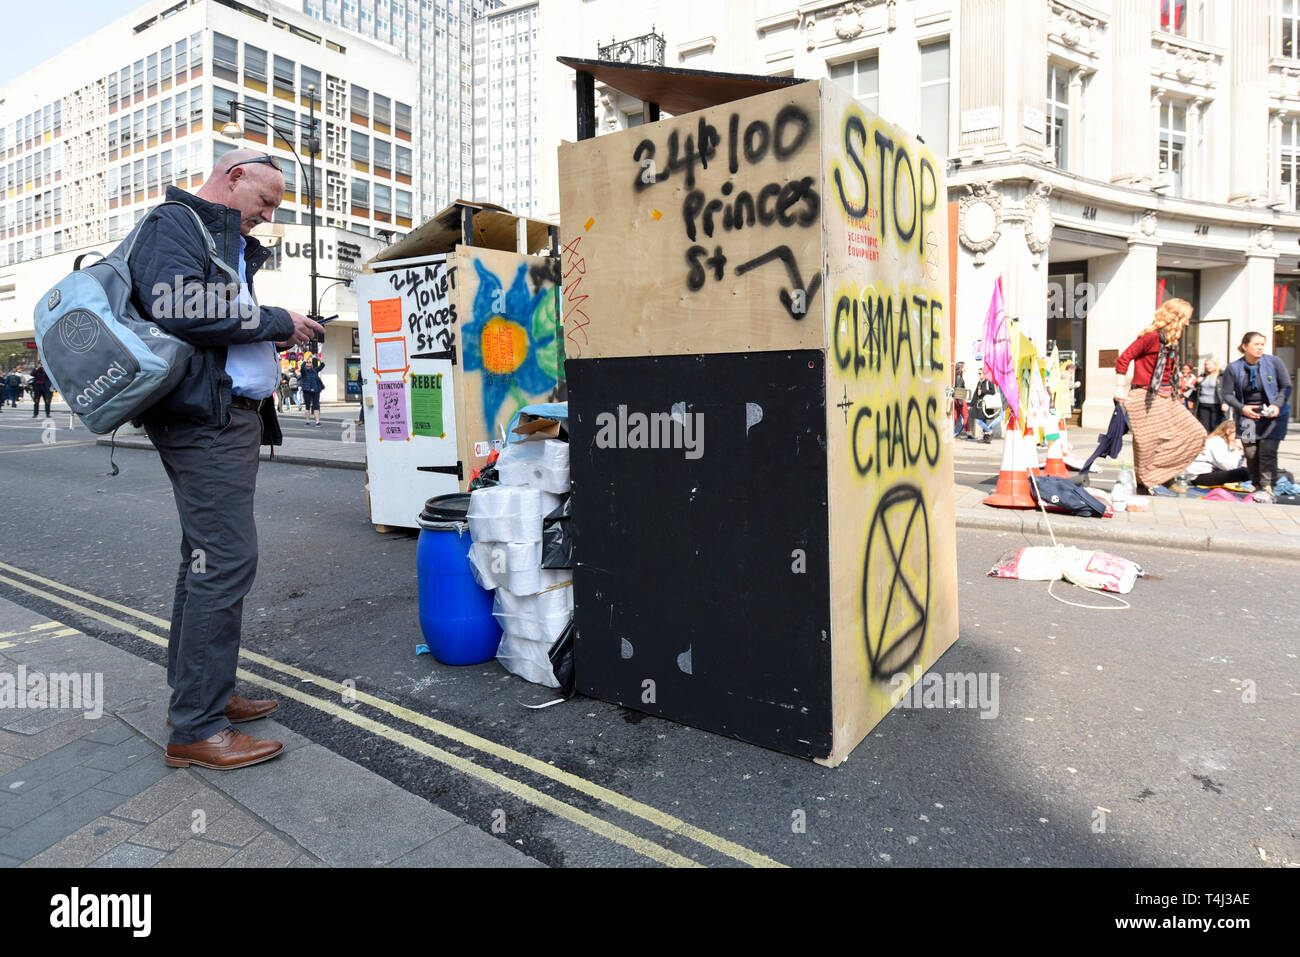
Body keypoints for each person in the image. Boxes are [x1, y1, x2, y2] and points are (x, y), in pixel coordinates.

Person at [132, 149, 323, 769]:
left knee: (205, 560)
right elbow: (181, 307)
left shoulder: (224, 240)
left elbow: (217, 317)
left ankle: (200, 697)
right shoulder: (175, 223)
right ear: (232, 176)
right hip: (204, 421)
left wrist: (273, 328)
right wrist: (275, 321)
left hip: (227, 418)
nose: (268, 216)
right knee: (226, 560)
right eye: (265, 201)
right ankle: (195, 728)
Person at [1113, 299, 1206, 493]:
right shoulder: (1151, 337)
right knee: (1146, 443)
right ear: (1176, 317)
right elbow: (1123, 359)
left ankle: (1159, 475)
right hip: (1145, 395)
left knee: (1196, 432)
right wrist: (1119, 389)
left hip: (1166, 395)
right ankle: (1145, 482)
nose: (1188, 323)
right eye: (1186, 318)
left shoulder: (1170, 341)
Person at [1221, 330, 1293, 502]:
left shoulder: (1274, 362)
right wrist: (1242, 408)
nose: (1260, 348)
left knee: (1268, 451)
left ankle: (1267, 486)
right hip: (1247, 415)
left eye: (1262, 344)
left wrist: (1277, 405)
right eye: (1256, 344)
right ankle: (1257, 485)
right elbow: (1227, 394)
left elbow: (1286, 386)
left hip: (1274, 415)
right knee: (1251, 452)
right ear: (1245, 346)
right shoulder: (1234, 368)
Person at [1187, 420, 1249, 487]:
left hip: (1206, 472)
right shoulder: (1216, 442)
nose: (1240, 438)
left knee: (1244, 471)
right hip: (1198, 476)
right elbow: (1228, 466)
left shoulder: (1222, 442)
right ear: (1228, 431)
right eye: (1238, 434)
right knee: (1243, 473)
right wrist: (1237, 450)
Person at [1193, 358, 1224, 432]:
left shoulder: (1221, 376)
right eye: (1206, 364)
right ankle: (1205, 442)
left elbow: (1226, 391)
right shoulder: (1203, 376)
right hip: (1202, 405)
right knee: (1204, 427)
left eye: (1209, 364)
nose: (1207, 366)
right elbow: (1196, 389)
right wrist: (1197, 382)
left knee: (1215, 427)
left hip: (1215, 405)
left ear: (1215, 365)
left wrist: (1225, 403)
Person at [971, 372, 1002, 443]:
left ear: (985, 374)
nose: (979, 375)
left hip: (986, 405)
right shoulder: (979, 383)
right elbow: (975, 394)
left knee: (979, 421)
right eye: (978, 373)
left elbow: (993, 391)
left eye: (980, 373)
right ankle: (986, 438)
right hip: (979, 406)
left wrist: (983, 391)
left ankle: (988, 431)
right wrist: (971, 404)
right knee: (982, 420)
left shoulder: (989, 381)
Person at [299, 354, 324, 427]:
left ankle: (317, 422)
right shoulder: (304, 371)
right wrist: (306, 359)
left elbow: (322, 365)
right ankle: (307, 422)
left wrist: (318, 358)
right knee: (307, 406)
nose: (309, 363)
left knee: (316, 406)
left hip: (316, 391)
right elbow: (301, 367)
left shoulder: (315, 370)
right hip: (307, 391)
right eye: (308, 362)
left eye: (310, 362)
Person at [953, 361, 969, 438]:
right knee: (966, 415)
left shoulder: (957, 376)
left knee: (955, 416)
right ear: (961, 368)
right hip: (960, 398)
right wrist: (960, 402)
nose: (966, 368)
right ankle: (968, 433)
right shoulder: (959, 377)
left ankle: (951, 431)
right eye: (964, 366)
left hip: (956, 399)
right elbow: (959, 389)